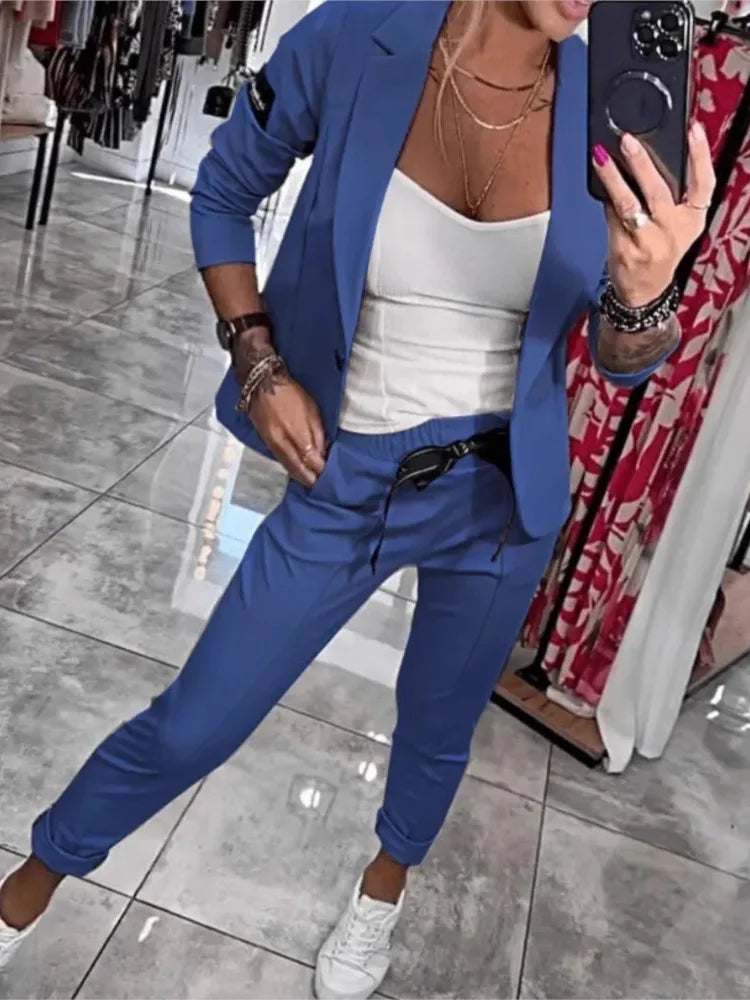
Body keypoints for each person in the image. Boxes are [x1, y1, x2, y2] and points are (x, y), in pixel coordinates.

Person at [0, 2, 714, 997]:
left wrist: (646, 292)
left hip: (501, 500)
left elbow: (623, 359)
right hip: (348, 474)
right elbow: (224, 191)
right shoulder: (356, 39)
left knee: (436, 729)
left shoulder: (608, 106)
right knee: (197, 721)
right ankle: (26, 890)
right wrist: (257, 359)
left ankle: (381, 891)